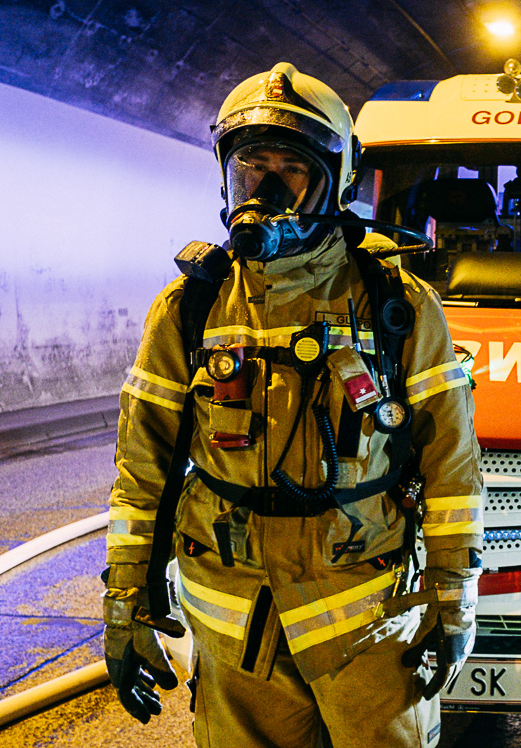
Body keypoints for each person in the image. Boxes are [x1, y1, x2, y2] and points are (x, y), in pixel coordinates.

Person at [102, 62, 483, 747]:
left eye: (292, 169)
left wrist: (453, 597)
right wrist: (125, 601)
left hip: (368, 627)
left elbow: (451, 467)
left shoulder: (395, 303)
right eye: (252, 168)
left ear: (334, 182)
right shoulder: (190, 307)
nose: (266, 189)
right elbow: (141, 473)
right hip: (237, 628)